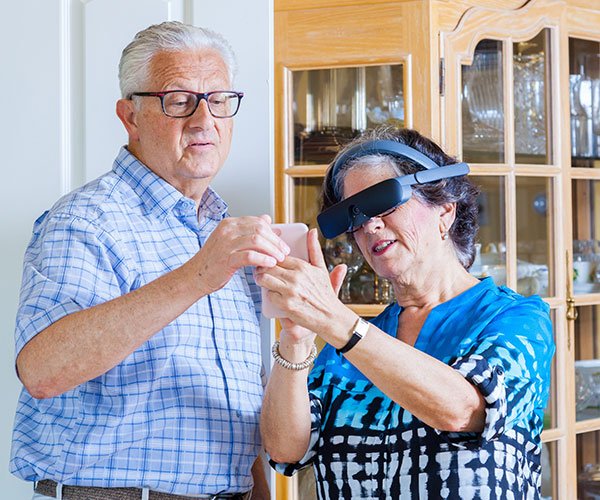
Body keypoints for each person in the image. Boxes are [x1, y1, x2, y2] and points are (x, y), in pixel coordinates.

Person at [11, 21, 283, 500]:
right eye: (179, 101)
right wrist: (198, 275)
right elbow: (43, 370)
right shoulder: (86, 220)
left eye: (219, 99)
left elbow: (234, 422)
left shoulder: (226, 235)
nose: (204, 120)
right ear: (130, 116)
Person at [257, 127, 554, 498]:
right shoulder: (347, 347)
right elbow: (286, 450)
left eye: (385, 203)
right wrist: (295, 339)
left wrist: (335, 320)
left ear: (445, 210)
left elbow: (464, 411)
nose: (369, 225)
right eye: (355, 217)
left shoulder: (515, 318)